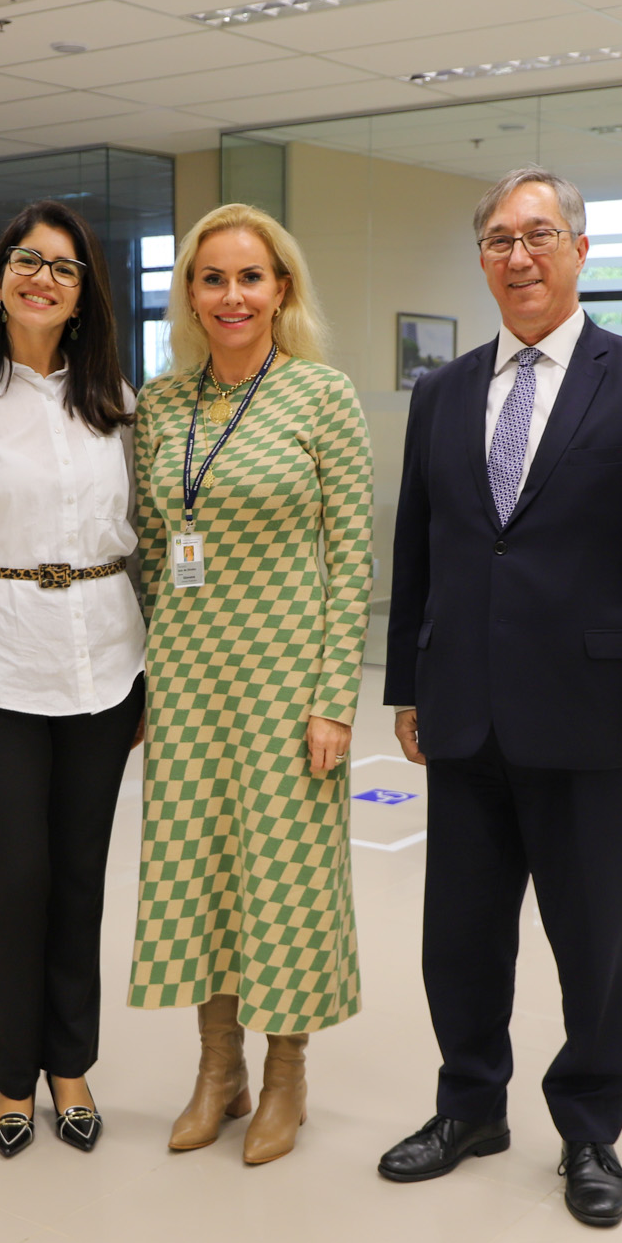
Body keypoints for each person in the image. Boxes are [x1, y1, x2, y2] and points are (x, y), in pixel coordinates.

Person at [375, 166, 622, 1224]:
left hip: (594, 719)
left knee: (592, 942)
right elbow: (421, 548)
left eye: (535, 236)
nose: (516, 256)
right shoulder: (440, 392)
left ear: (577, 250)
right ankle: (470, 1106)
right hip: (466, 713)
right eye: (495, 239)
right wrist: (405, 684)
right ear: (479, 258)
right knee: (459, 938)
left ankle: (586, 1131)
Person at [127, 203, 374, 1166]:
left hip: (284, 680)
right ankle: (215, 1070)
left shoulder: (321, 396)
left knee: (284, 884)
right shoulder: (162, 404)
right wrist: (151, 674)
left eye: (251, 278)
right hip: (190, 681)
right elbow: (151, 549)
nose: (232, 296)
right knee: (199, 876)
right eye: (212, 278)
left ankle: (285, 1076)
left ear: (283, 290)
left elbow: (351, 557)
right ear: (190, 293)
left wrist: (331, 698)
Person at [0, 201, 145, 1158]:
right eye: (27, 260)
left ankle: (71, 1064)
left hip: (104, 667)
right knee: (13, 882)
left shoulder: (117, 405)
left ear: (86, 296)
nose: (44, 277)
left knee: (79, 879)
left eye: (66, 267)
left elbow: (145, 548)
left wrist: (151, 680)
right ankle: (13, 1078)